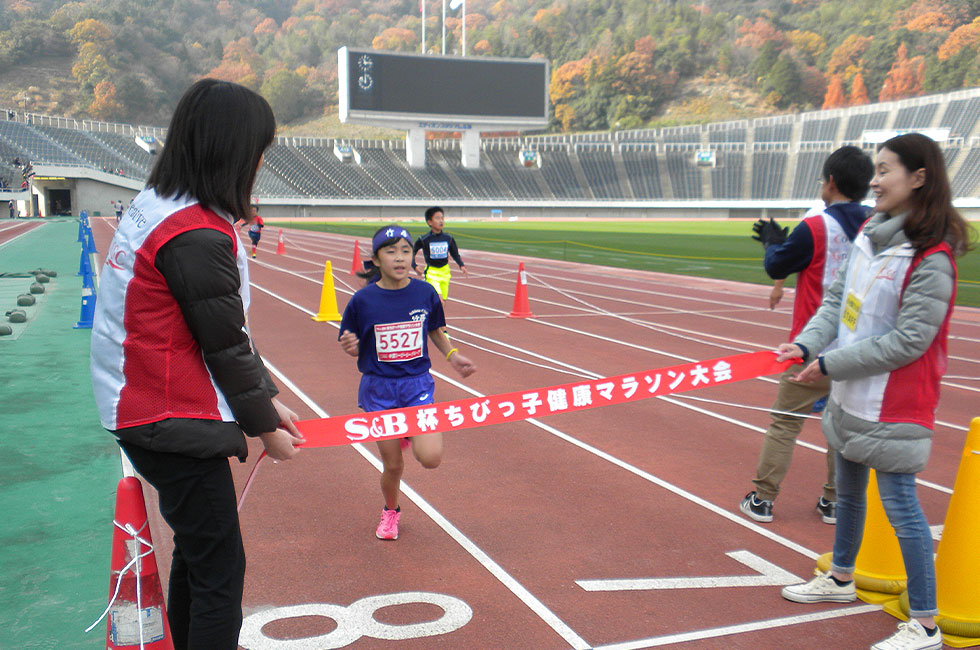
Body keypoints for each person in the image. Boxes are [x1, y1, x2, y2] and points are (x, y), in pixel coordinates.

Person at [90, 79, 305, 650]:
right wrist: (264, 425)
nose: (260, 161)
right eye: (259, 148)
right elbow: (225, 346)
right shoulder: (194, 233)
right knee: (220, 571)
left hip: (140, 404)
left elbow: (220, 333)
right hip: (164, 411)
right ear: (230, 149)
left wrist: (267, 398)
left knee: (198, 548)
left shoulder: (161, 204)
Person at [778, 133, 975, 650]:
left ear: (918, 178)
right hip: (850, 391)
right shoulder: (869, 231)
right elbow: (837, 299)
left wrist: (829, 362)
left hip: (896, 400)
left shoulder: (932, 255)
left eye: (885, 170)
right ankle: (842, 578)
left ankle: (927, 624)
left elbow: (910, 341)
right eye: (876, 170)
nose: (874, 180)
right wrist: (806, 345)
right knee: (847, 490)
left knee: (901, 507)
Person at [741, 146, 874, 525]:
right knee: (841, 429)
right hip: (857, 348)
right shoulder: (875, 225)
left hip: (811, 344)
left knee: (784, 422)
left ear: (831, 182)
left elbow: (776, 265)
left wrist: (772, 241)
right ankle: (834, 502)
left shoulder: (816, 226)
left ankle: (763, 498)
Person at [339, 225, 476, 541]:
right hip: (379, 390)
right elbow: (354, 343)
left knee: (430, 458)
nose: (400, 258)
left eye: (405, 251)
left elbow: (435, 331)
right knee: (394, 466)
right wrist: (352, 348)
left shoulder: (424, 292)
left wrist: (453, 355)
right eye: (390, 251)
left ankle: (407, 434)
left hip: (416, 386)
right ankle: (391, 512)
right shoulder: (362, 301)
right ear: (376, 259)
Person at [412, 206, 469, 312]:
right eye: (437, 218)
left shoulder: (448, 238)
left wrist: (461, 265)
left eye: (442, 218)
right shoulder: (424, 239)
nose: (441, 221)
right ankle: (437, 326)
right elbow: (412, 252)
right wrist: (414, 266)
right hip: (432, 272)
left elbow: (455, 254)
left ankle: (438, 325)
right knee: (439, 300)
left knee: (442, 303)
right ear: (429, 222)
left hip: (445, 272)